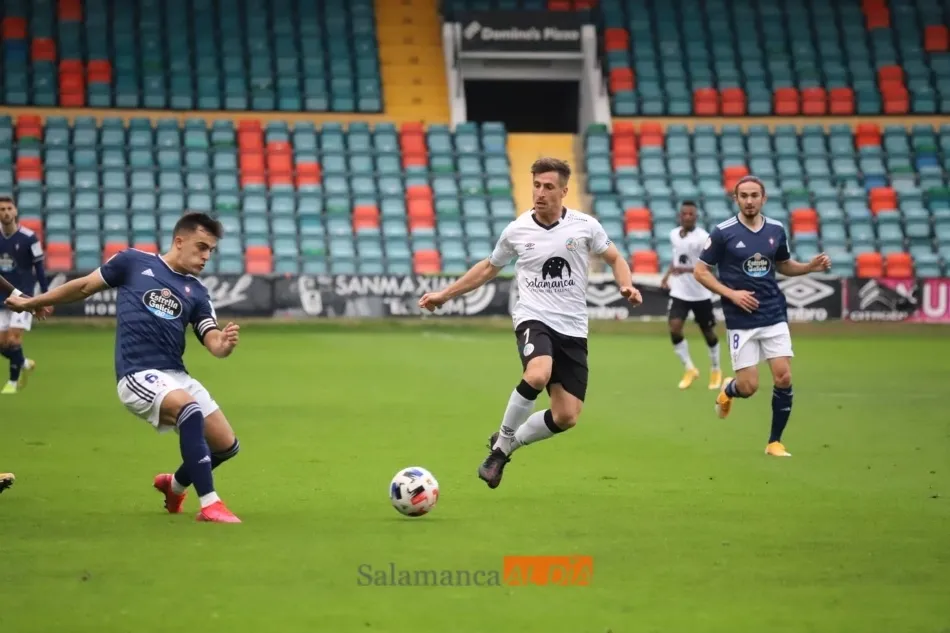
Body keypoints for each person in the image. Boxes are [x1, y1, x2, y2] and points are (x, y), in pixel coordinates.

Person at [419, 157, 643, 488]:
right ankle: (498, 452)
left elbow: (615, 258)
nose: (540, 193)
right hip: (533, 317)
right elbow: (489, 267)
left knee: (567, 416)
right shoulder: (517, 229)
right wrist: (446, 294)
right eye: (536, 185)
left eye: (548, 187)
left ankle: (508, 442)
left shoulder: (585, 226)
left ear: (564, 191)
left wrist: (626, 284)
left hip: (573, 327)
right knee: (538, 373)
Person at [5, 212, 243, 522]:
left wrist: (223, 345)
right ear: (179, 241)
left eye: (211, 250)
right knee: (189, 410)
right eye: (201, 247)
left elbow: (211, 339)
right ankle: (210, 504)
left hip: (175, 374)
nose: (206, 256)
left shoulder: (197, 292)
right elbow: (84, 286)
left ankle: (173, 486)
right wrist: (32, 302)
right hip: (137, 373)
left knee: (226, 446)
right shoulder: (133, 262)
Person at [693, 176, 830, 457]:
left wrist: (808, 267)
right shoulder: (723, 232)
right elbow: (700, 271)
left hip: (773, 312)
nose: (750, 200)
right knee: (749, 386)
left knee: (783, 376)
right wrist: (730, 294)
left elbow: (783, 265)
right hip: (740, 319)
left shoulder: (776, 230)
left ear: (764, 198)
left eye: (755, 195)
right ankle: (729, 390)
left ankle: (774, 442)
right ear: (736, 199)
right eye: (744, 196)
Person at [660, 201, 722, 390]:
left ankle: (716, 369)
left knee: (708, 332)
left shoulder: (703, 238)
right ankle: (690, 368)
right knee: (675, 327)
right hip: (679, 292)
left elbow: (710, 265)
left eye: (691, 214)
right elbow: (676, 258)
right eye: (684, 214)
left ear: (696, 217)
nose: (687, 217)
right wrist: (667, 276)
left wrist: (685, 269)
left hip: (700, 293)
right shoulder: (673, 235)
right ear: (680, 216)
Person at [0, 196, 49, 395]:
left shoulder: (29, 238)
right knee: (2, 344)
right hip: (0, 298)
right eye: (1, 209)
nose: (5, 212)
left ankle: (13, 382)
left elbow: (39, 267)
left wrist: (47, 296)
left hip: (23, 297)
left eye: (8, 208)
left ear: (16, 211)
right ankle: (23, 361)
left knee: (13, 340)